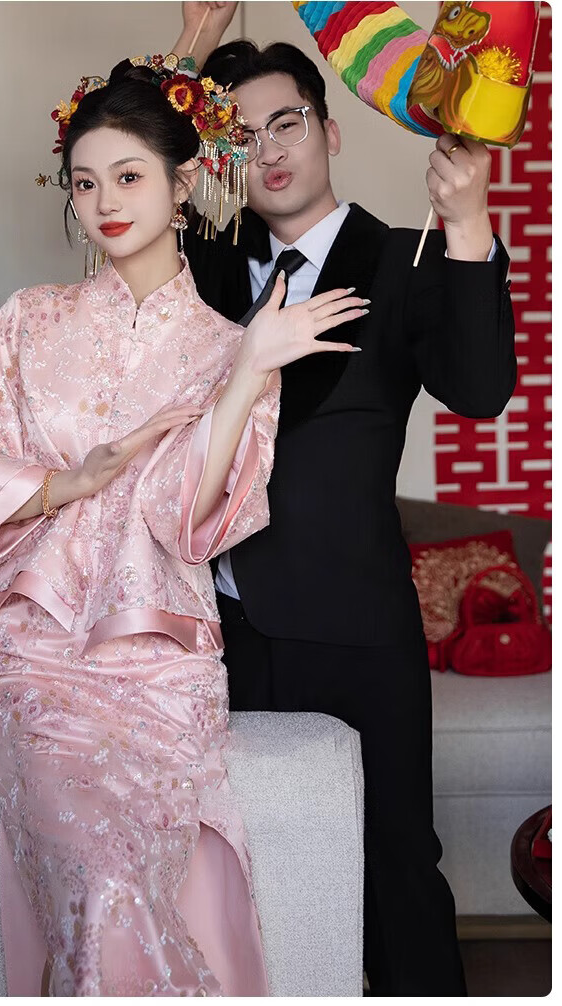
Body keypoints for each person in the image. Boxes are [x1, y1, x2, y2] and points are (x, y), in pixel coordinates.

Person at [0, 53, 366, 997]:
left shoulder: (226, 346)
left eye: (129, 177)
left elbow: (188, 519)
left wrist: (250, 371)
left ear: (184, 184)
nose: (104, 203)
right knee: (99, 880)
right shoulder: (28, 322)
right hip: (33, 659)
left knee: (123, 879)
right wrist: (67, 482)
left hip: (161, 672)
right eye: (85, 183)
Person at [170, 2, 517, 996]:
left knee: (395, 862)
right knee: (233, 876)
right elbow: (119, 160)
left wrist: (469, 224)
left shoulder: (407, 260)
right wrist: (191, 48)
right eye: (243, 134)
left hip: (356, 628)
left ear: (330, 130)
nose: (270, 150)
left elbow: (480, 389)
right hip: (213, 631)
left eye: (286, 122)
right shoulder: (200, 268)